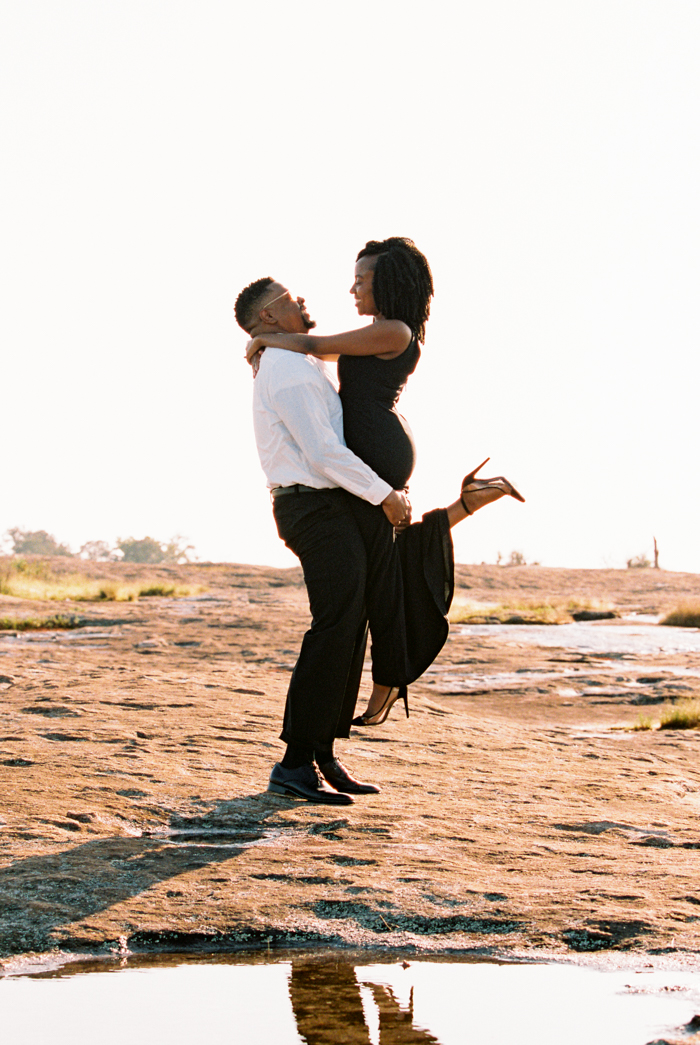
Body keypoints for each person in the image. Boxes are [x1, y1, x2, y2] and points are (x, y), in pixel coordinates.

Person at [245, 238, 524, 725]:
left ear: (388, 283)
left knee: (385, 579)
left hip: (377, 450)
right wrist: (269, 347)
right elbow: (313, 357)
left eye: (361, 280)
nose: (351, 288)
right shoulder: (380, 329)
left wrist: (264, 340)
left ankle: (389, 680)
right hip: (373, 450)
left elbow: (315, 345)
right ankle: (466, 506)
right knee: (388, 571)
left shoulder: (394, 329)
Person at [234, 276, 413, 805]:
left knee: (348, 620)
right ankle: (293, 763)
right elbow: (320, 452)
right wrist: (384, 494)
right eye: (291, 299)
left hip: (328, 505)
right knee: (334, 623)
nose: (303, 300)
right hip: (310, 506)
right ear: (268, 316)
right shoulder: (287, 369)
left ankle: (322, 752)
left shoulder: (295, 357)